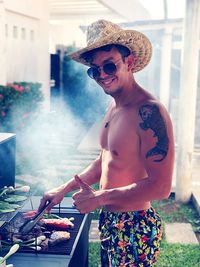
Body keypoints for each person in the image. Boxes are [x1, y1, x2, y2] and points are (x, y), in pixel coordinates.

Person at [39, 20, 175, 267]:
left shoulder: (150, 111)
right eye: (94, 70)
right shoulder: (113, 105)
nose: (101, 75)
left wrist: (100, 198)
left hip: (135, 226)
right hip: (110, 221)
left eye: (109, 65)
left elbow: (161, 186)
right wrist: (62, 190)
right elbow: (107, 159)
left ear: (129, 63)